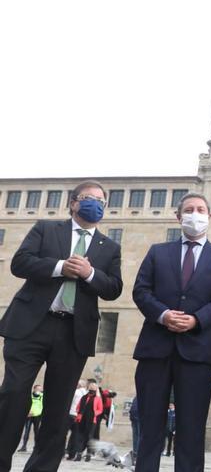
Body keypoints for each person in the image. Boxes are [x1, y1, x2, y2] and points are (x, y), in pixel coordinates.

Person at [0, 180, 123, 471]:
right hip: (32, 324)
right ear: (73, 203)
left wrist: (90, 273)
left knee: (58, 408)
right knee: (14, 393)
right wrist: (59, 267)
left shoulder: (110, 247)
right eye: (88, 198)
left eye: (101, 200)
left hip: (73, 333)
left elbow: (114, 288)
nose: (95, 203)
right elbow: (20, 263)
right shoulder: (46, 229)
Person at [132, 192, 211, 472]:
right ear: (178, 217)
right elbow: (141, 291)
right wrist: (164, 315)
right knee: (150, 425)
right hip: (156, 347)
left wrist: (196, 320)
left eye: (201, 209)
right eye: (189, 209)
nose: (195, 214)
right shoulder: (157, 252)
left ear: (209, 217)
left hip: (198, 351)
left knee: (192, 428)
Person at [72, 381, 103, 462]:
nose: (92, 388)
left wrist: (94, 413)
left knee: (89, 437)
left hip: (92, 420)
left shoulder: (98, 399)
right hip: (82, 419)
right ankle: (79, 454)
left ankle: (88, 454)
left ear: (96, 389)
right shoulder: (84, 397)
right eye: (91, 387)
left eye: (94, 387)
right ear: (89, 388)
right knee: (80, 437)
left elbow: (100, 409)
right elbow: (78, 407)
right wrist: (79, 413)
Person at [66, 380, 88, 460]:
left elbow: (69, 402)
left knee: (63, 434)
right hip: (79, 416)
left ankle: (61, 452)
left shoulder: (76, 392)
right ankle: (72, 454)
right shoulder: (86, 393)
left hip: (71, 414)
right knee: (75, 436)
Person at [18, 385, 44, 453]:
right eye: (38, 389)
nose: (39, 390)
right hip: (29, 415)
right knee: (26, 431)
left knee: (36, 431)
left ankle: (36, 447)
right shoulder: (30, 396)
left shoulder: (42, 396)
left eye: (40, 389)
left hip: (37, 415)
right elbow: (26, 404)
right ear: (34, 389)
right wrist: (27, 411)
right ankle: (24, 446)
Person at [129, 396, 140, 464]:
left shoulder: (135, 397)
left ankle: (135, 454)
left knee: (136, 437)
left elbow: (131, 409)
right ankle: (137, 454)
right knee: (138, 436)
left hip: (134, 419)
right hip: (138, 419)